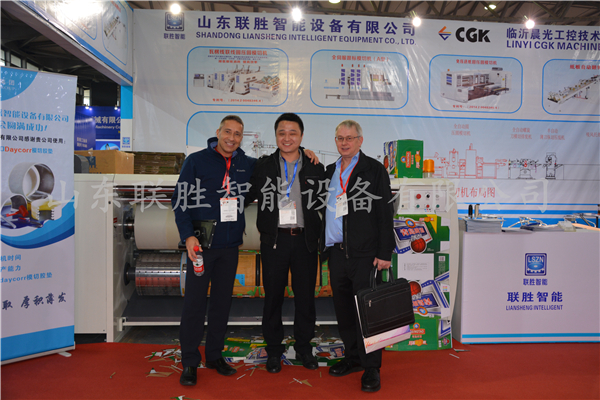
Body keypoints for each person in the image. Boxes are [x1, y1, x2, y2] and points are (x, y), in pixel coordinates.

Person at [172, 115, 255, 386]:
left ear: (242, 138)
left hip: (230, 247)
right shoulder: (196, 161)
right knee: (194, 304)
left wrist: (304, 152)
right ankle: (189, 361)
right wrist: (187, 236)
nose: (232, 138)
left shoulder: (246, 163)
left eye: (237, 134)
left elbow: (278, 163)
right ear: (218, 132)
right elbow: (180, 200)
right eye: (227, 132)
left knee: (221, 303)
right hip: (201, 246)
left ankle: (215, 356)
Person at [246, 113, 326, 373]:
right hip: (274, 241)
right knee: (272, 299)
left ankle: (304, 348)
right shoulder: (263, 166)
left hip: (305, 241)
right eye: (282, 133)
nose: (287, 137)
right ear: (276, 136)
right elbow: (246, 193)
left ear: (301, 136)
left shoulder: (315, 166)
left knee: (305, 298)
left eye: (293, 133)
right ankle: (273, 350)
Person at [322, 120, 395, 393]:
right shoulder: (330, 171)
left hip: (365, 255)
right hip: (337, 253)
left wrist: (384, 252)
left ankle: (372, 367)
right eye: (340, 138)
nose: (344, 143)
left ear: (360, 141)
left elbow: (385, 214)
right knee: (344, 312)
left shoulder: (373, 170)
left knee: (367, 313)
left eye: (350, 138)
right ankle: (352, 358)